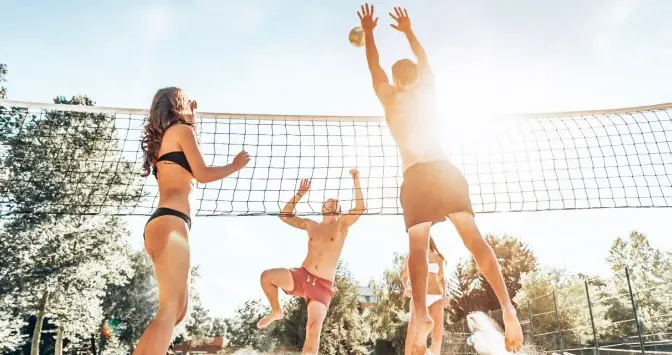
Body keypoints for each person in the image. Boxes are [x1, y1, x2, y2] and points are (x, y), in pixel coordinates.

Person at [357, 4, 524, 354]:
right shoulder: (426, 91)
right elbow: (424, 58)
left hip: (415, 174)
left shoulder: (389, 98)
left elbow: (374, 68)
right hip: (445, 171)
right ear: (415, 77)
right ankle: (508, 307)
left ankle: (420, 312)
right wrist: (408, 31)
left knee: (417, 247)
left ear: (395, 79)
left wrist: (370, 32)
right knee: (475, 242)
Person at [134, 87, 250, 355]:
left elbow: (186, 154)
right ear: (178, 104)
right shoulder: (181, 131)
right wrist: (234, 166)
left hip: (162, 225)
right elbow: (202, 173)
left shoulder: (167, 137)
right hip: (171, 223)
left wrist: (192, 117)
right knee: (170, 312)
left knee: (177, 313)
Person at [257, 169, 365, 355]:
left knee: (313, 331)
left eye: (336, 202)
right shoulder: (311, 225)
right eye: (328, 201)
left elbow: (360, 208)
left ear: (339, 210)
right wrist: (300, 194)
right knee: (267, 276)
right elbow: (285, 215)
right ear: (322, 208)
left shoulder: (342, 225)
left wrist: (356, 180)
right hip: (301, 276)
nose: (332, 202)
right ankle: (276, 311)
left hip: (322, 286)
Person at [401, 237, 446, 355]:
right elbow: (405, 276)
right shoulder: (413, 255)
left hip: (436, 296)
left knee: (437, 335)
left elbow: (441, 279)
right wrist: (406, 287)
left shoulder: (438, 257)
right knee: (412, 329)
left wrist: (445, 294)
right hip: (419, 296)